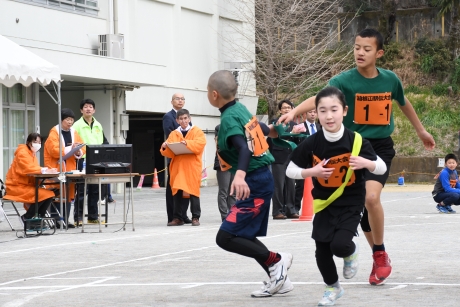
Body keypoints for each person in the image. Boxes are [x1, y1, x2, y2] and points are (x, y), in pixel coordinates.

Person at [278, 28, 435, 286]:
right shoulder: (344, 80)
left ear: (379, 53)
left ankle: (381, 252)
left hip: (379, 147)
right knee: (360, 205)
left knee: (371, 198)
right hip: (352, 147)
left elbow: (404, 103)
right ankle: (375, 254)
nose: (360, 53)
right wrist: (294, 110)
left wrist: (421, 131)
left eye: (367, 49)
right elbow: (319, 98)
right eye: (356, 47)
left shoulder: (390, 80)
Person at [286, 86, 387, 305]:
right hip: (323, 202)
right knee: (321, 251)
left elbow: (381, 168)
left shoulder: (357, 141)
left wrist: (366, 163)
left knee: (339, 246)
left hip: (351, 201)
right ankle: (333, 287)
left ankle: (351, 251)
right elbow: (290, 169)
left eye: (334, 109)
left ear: (344, 111)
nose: (329, 116)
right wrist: (311, 172)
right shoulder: (312, 143)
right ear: (317, 113)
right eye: (323, 110)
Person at [208, 70, 293, 298]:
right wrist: (275, 131)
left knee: (225, 237)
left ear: (214, 94)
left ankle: (277, 260)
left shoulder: (227, 118)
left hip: (254, 181)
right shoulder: (240, 109)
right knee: (242, 234)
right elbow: (260, 129)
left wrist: (239, 175)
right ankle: (279, 278)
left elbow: (243, 148)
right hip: (260, 178)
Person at [160, 109, 206, 226]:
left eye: (185, 118)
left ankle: (195, 217)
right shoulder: (174, 134)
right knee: (177, 191)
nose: (184, 121)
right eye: (181, 119)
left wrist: (188, 144)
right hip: (178, 166)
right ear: (177, 120)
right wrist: (165, 146)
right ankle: (178, 217)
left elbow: (200, 144)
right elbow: (169, 152)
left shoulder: (197, 131)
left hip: (192, 166)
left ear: (189, 119)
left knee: (193, 191)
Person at [3, 133, 57, 225]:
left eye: (39, 142)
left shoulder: (32, 154)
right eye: (35, 142)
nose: (38, 144)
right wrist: (44, 170)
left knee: (50, 193)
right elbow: (27, 168)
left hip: (25, 185)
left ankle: (38, 219)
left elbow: (34, 169)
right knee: (44, 194)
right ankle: (27, 217)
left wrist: (47, 173)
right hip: (16, 186)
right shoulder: (22, 153)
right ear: (28, 142)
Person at [44, 108, 84, 228]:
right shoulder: (54, 132)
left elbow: (81, 146)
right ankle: (55, 221)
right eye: (67, 119)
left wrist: (78, 152)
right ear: (61, 120)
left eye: (72, 119)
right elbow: (53, 150)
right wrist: (70, 149)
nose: (70, 122)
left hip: (70, 168)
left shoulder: (74, 132)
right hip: (56, 167)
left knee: (68, 194)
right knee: (57, 193)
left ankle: (65, 220)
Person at [72, 99, 109, 226]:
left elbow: (104, 141)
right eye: (86, 107)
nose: (88, 109)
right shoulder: (76, 125)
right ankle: (78, 218)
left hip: (96, 161)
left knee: (95, 190)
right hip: (82, 160)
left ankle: (92, 216)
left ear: (94, 110)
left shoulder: (98, 124)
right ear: (81, 110)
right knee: (81, 190)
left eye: (91, 107)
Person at [267, 99, 300, 219]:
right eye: (284, 107)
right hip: (278, 158)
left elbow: (298, 142)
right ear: (280, 110)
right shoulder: (275, 123)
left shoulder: (295, 125)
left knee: (291, 185)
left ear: (292, 109)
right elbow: (270, 141)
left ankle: (291, 209)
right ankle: (277, 211)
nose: (286, 109)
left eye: (289, 107)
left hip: (291, 158)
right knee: (278, 186)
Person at [162, 93, 192, 224]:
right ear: (171, 101)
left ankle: (183, 214)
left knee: (185, 188)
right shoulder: (168, 117)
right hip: (175, 158)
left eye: (182, 99)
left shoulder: (187, 117)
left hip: (187, 159)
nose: (180, 101)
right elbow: (170, 136)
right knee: (173, 188)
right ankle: (173, 216)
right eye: (177, 99)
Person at [294, 109, 320, 213]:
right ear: (305, 114)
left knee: (318, 183)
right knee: (300, 184)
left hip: (317, 159)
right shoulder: (300, 126)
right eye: (310, 112)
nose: (313, 114)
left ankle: (317, 206)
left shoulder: (320, 126)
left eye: (314, 112)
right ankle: (296, 207)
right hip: (304, 158)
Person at [213, 124, 236, 221]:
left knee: (233, 191)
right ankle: (224, 215)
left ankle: (233, 213)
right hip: (223, 163)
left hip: (234, 162)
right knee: (224, 191)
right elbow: (220, 145)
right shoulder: (219, 127)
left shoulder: (237, 127)